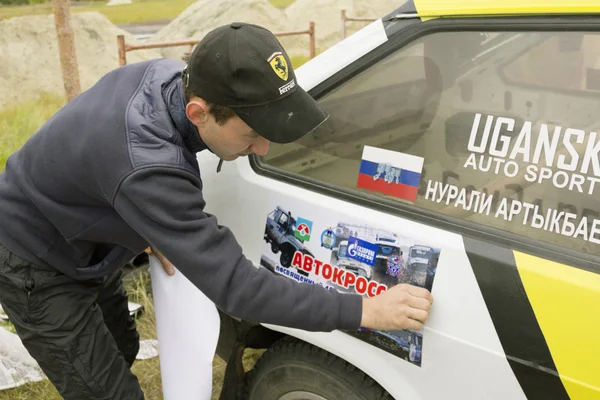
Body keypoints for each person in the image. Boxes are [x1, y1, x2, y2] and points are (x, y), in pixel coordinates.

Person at [0, 22, 434, 399]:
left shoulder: (173, 78)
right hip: (32, 259)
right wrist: (366, 310)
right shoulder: (148, 164)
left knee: (121, 348)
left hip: (85, 230)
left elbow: (114, 169)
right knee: (104, 390)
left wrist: (155, 226)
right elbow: (239, 288)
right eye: (251, 134)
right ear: (199, 113)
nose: (262, 147)